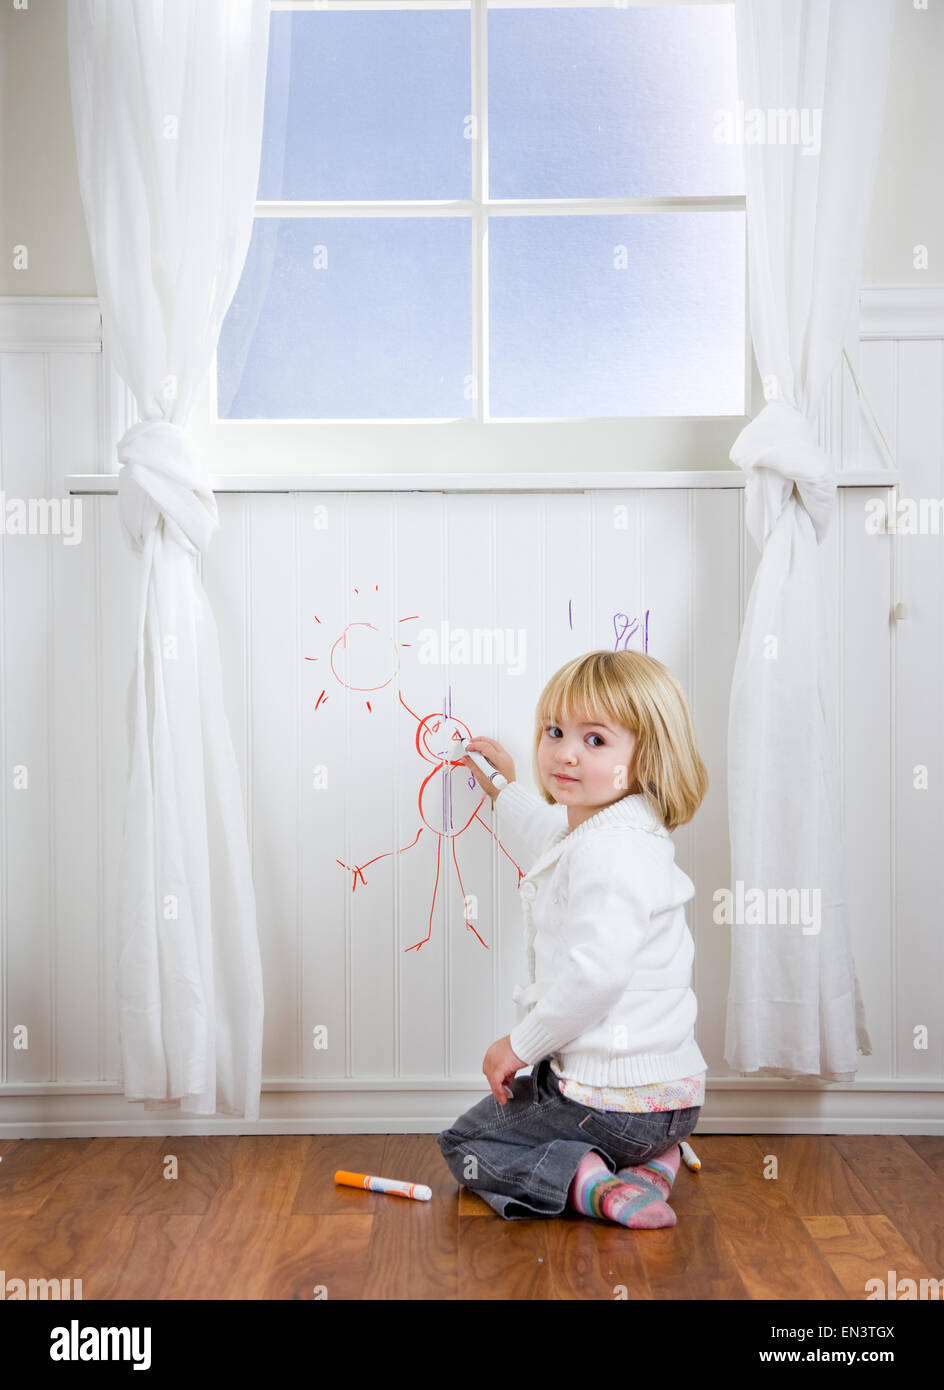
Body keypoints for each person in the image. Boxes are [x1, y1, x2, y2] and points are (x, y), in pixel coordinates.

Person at [436, 648, 709, 1227]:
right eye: (555, 731)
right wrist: (502, 787)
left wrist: (520, 1044)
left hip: (610, 1106)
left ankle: (593, 1186)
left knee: (468, 1146)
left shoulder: (610, 853)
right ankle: (654, 1164)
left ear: (647, 757)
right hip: (675, 1103)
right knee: (532, 1113)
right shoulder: (618, 829)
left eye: (595, 740)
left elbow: (595, 975)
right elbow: (548, 831)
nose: (564, 752)